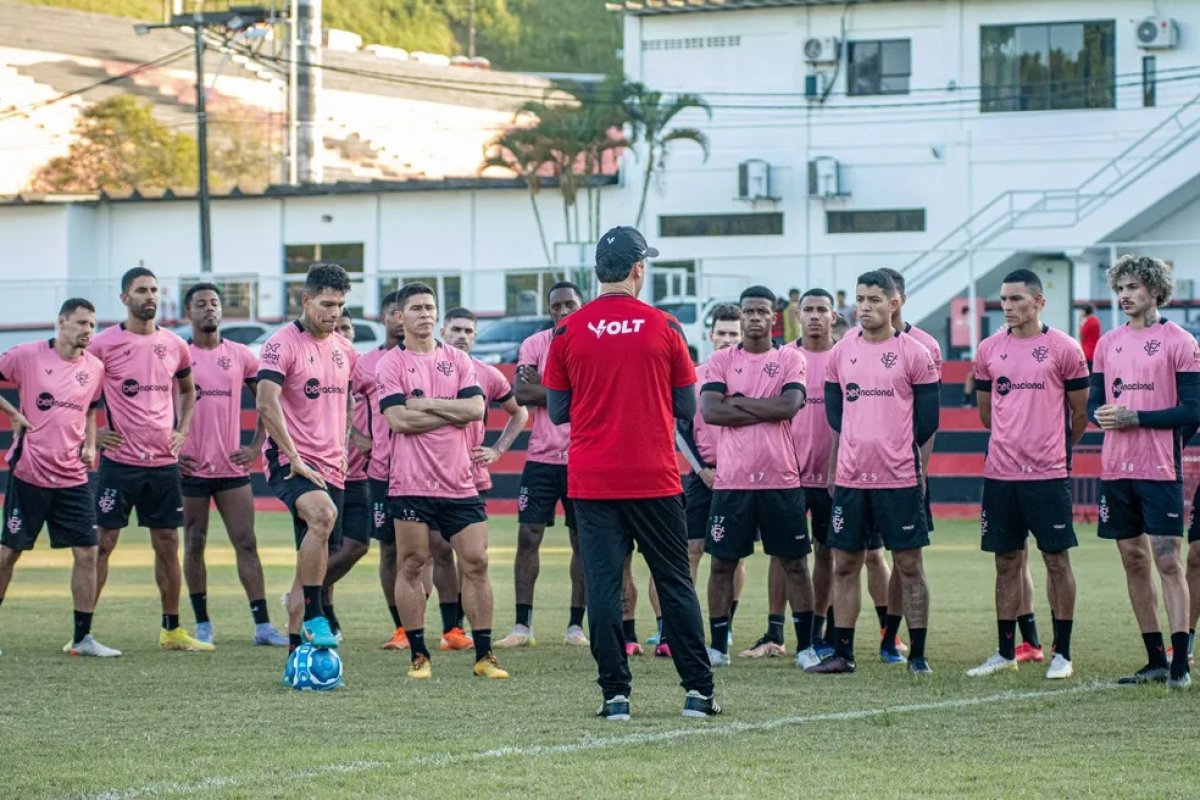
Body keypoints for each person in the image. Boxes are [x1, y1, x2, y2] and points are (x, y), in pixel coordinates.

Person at [543, 225, 718, 720]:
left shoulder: (568, 330)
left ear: (599, 273)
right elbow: (686, 403)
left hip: (593, 479)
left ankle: (615, 695)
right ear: (638, 269)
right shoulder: (664, 326)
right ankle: (698, 693)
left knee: (603, 587)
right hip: (654, 476)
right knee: (674, 583)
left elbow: (558, 412)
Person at [807, 270, 939, 676]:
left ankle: (916, 655)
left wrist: (896, 448)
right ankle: (843, 654)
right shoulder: (842, 352)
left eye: (874, 300)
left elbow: (927, 420)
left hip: (898, 480)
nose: (864, 307)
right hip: (850, 479)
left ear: (894, 303)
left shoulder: (914, 353)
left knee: (909, 565)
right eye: (860, 300)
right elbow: (835, 413)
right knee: (845, 563)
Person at [377, 282, 508, 680]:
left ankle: (484, 656)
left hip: (459, 482)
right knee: (414, 564)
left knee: (477, 562)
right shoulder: (391, 364)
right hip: (410, 483)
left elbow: (475, 409)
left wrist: (427, 404)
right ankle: (419, 655)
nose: (425, 314)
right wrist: (452, 412)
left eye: (430, 307)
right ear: (401, 316)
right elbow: (398, 420)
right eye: (416, 308)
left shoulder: (459, 360)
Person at [965, 269, 1088, 680]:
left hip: (1048, 474)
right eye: (1003, 299)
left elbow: (1080, 413)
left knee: (1056, 559)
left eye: (1016, 299)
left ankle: (1062, 653)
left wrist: (1052, 449)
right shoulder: (988, 349)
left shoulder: (1064, 348)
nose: (1007, 307)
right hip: (1000, 474)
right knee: (1006, 561)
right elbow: (986, 414)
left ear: (1038, 302)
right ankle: (1005, 651)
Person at [1090, 255, 1197, 689]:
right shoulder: (1107, 343)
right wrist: (1106, 416)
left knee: (1168, 560)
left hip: (1159, 468)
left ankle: (1181, 662)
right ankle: (1154, 659)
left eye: (1133, 287)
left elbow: (1193, 408)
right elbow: (1097, 405)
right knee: (1133, 559)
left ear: (1155, 290)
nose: (1125, 295)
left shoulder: (1180, 341)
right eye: (1120, 288)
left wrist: (1139, 418)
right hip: (1116, 470)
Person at [89, 268, 207, 651]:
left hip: (162, 463)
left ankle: (171, 630)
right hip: (119, 462)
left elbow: (189, 392)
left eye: (154, 289)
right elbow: (77, 389)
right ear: (125, 298)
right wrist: (91, 435)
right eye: (141, 290)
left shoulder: (175, 344)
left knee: (168, 542)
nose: (150, 296)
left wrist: (183, 430)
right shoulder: (102, 344)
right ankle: (83, 630)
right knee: (103, 542)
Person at [700, 286, 818, 670]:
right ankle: (718, 647)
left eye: (761, 312)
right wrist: (765, 409)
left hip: (781, 479)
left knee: (795, 564)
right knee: (721, 565)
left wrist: (737, 402)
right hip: (732, 481)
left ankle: (805, 647)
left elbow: (790, 405)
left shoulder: (790, 358)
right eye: (748, 311)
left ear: (774, 317)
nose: (753, 318)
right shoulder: (720, 361)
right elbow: (712, 413)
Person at [0, 299, 118, 657]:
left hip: (74, 476)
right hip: (30, 472)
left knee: (88, 551)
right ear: (61, 322)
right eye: (81, 323)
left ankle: (82, 638)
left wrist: (91, 444)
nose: (87, 331)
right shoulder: (27, 355)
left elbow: (90, 412)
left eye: (92, 325)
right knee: (9, 554)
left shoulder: (95, 367)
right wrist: (14, 414)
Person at [256, 263, 355, 665]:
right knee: (322, 514)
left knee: (308, 562)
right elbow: (265, 402)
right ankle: (316, 615)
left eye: (341, 306)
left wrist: (345, 442)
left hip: (332, 467)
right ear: (306, 299)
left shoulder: (344, 348)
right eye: (327, 304)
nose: (334, 313)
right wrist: (294, 456)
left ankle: (296, 654)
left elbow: (350, 398)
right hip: (291, 462)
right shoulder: (281, 344)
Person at [178, 283, 287, 647]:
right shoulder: (178, 355)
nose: (209, 309)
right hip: (190, 468)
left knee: (247, 543)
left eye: (214, 303)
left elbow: (268, 404)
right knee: (194, 543)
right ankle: (203, 623)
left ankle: (262, 626)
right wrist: (173, 448)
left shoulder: (241, 355)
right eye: (201, 304)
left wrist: (256, 444)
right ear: (187, 313)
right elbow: (160, 406)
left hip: (231, 469)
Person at [499, 282, 590, 648]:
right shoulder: (535, 344)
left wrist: (547, 387)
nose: (564, 310)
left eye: (570, 304)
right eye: (557, 305)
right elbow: (522, 394)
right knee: (527, 537)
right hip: (541, 457)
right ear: (549, 308)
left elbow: (596, 391)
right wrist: (571, 391)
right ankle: (523, 626)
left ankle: (575, 626)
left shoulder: (592, 342)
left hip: (583, 455)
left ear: (582, 306)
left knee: (582, 541)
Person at [658, 303, 744, 659]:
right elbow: (680, 429)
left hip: (740, 477)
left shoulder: (749, 375)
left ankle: (726, 626)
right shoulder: (694, 376)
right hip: (701, 474)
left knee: (733, 558)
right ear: (710, 336)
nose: (726, 340)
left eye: (733, 334)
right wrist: (702, 468)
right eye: (721, 333)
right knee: (691, 550)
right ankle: (682, 628)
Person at [443, 307, 529, 648]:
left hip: (470, 477)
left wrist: (497, 450)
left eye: (468, 330)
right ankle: (450, 626)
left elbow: (519, 413)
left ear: (475, 336)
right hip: (426, 476)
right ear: (443, 331)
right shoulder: (426, 366)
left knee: (472, 555)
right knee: (433, 552)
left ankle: (462, 628)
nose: (462, 335)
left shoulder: (487, 373)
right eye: (456, 329)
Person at [875, 267, 941, 663]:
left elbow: (927, 416)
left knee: (905, 557)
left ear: (899, 298)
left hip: (907, 470)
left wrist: (922, 469)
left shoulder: (924, 345)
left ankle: (893, 635)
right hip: (861, 471)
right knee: (854, 555)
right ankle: (834, 636)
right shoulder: (853, 342)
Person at [348, 291, 412, 650]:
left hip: (422, 468)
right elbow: (340, 396)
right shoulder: (366, 364)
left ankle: (451, 625)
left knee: (426, 550)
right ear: (385, 318)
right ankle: (401, 628)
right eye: (394, 313)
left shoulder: (428, 358)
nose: (400, 319)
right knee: (389, 549)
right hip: (383, 471)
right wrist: (356, 434)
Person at [313, 312, 373, 643]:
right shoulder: (319, 366)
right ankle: (323, 610)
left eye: (347, 327)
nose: (342, 332)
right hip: (324, 469)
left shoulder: (362, 365)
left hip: (359, 473)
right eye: (337, 328)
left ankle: (306, 591)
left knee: (357, 545)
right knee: (329, 544)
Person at [1079, 303, 1101, 372]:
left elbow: (1081, 336)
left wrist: (1080, 321)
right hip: (1095, 351)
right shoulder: (1096, 321)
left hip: (1087, 352)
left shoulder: (1088, 322)